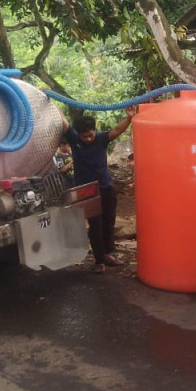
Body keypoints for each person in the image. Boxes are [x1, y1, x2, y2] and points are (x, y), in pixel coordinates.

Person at [63, 105, 137, 273]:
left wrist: (129, 118)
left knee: (108, 220)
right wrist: (49, 99)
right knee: (95, 224)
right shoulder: (74, 140)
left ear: (94, 130)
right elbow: (64, 122)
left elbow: (117, 130)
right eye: (84, 136)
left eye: (90, 135)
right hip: (87, 191)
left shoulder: (102, 138)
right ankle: (99, 260)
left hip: (106, 186)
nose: (88, 139)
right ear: (78, 135)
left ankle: (108, 253)